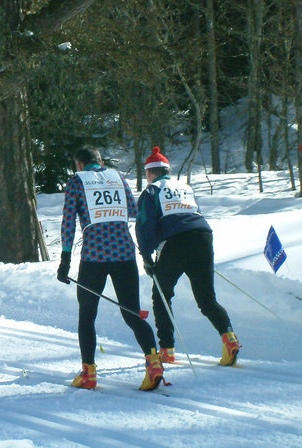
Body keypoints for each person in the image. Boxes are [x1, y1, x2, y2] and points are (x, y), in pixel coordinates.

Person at [56, 145, 164, 391]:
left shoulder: (77, 181)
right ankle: (154, 362)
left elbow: (68, 222)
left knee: (87, 315)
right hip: (124, 253)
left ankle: (89, 373)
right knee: (131, 313)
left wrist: (65, 260)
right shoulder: (118, 178)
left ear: (80, 164)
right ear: (101, 161)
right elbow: (134, 211)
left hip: (94, 256)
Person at [135, 146, 240, 366]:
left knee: (161, 295)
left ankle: (167, 349)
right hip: (203, 237)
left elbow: (144, 224)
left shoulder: (152, 191)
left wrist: (146, 256)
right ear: (168, 171)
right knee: (206, 299)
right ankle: (229, 337)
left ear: (149, 172)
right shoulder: (185, 187)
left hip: (175, 242)